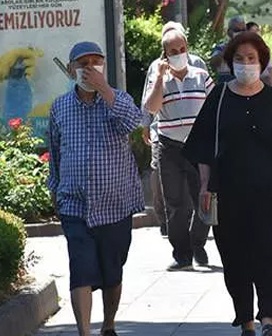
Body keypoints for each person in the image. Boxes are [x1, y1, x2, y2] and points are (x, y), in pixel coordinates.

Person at [183, 32, 272, 336]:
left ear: (261, 62)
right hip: (229, 193)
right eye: (239, 59)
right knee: (235, 257)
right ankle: (246, 321)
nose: (246, 64)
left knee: (270, 253)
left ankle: (268, 318)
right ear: (230, 63)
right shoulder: (220, 98)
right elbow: (203, 146)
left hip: (271, 194)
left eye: (251, 59)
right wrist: (204, 186)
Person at [47, 41, 144, 336]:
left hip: (115, 204)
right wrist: (55, 188)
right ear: (71, 68)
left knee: (112, 271)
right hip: (74, 204)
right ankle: (84, 332)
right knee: (81, 269)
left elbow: (132, 122)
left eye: (95, 62)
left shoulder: (119, 100)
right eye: (82, 63)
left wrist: (104, 90)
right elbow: (55, 151)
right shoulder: (60, 107)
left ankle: (109, 324)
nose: (89, 68)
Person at [143, 29, 215, 271]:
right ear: (165, 54)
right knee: (175, 203)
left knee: (203, 200)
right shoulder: (159, 79)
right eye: (172, 52)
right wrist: (160, 79)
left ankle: (198, 243)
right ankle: (181, 253)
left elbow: (215, 107)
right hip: (169, 146)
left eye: (181, 49)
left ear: (188, 48)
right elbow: (152, 108)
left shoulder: (201, 75)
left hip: (198, 147)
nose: (178, 54)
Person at [211, 16, 247, 84]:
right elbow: (213, 64)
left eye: (243, 30)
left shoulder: (251, 48)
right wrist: (228, 48)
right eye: (237, 30)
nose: (241, 33)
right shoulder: (221, 47)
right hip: (226, 81)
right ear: (229, 32)